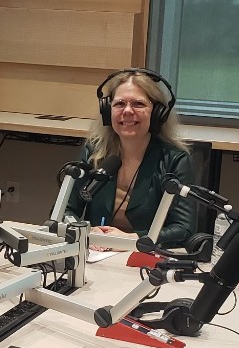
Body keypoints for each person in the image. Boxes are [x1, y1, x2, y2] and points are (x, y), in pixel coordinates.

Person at [66, 68, 196, 250]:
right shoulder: (95, 152)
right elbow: (67, 210)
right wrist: (85, 231)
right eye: (119, 104)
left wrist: (132, 238)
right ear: (107, 110)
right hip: (96, 256)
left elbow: (184, 229)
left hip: (145, 258)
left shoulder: (174, 160)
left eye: (138, 104)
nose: (127, 111)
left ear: (157, 113)